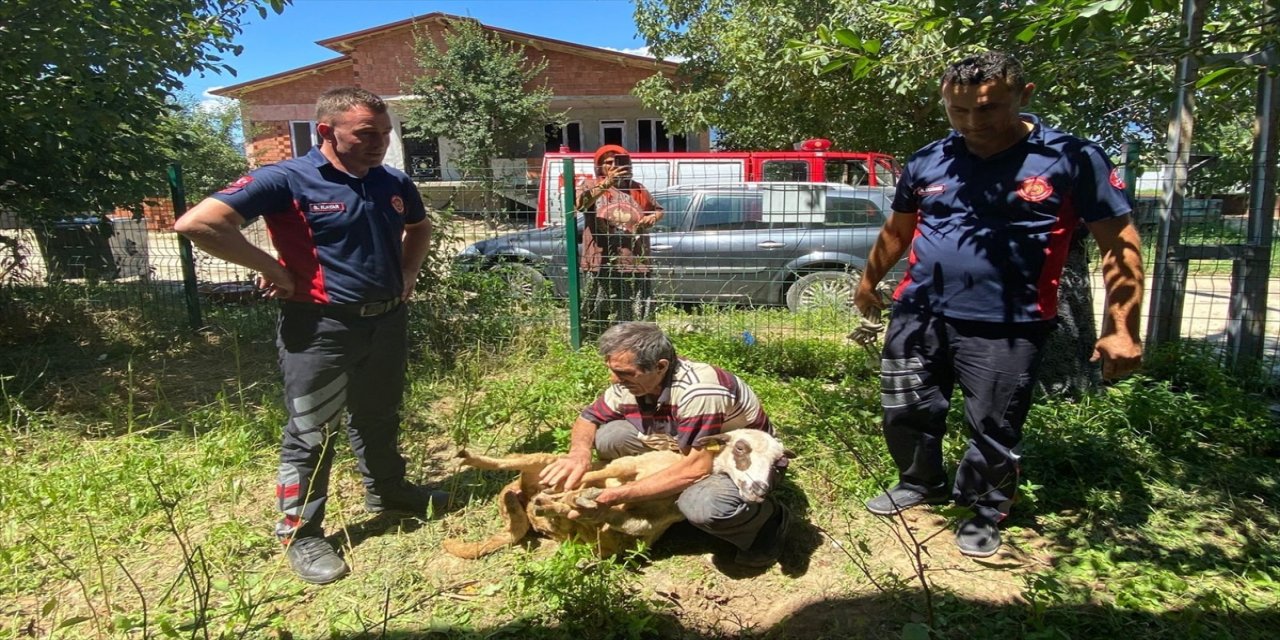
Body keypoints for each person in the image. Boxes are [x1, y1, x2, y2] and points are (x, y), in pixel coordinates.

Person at [854, 52, 1144, 558]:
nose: (971, 122)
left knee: (993, 424)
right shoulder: (929, 159)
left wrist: (1123, 327)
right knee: (904, 408)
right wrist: (868, 280)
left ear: (1023, 95)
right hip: (918, 310)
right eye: (957, 110)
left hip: (1009, 323)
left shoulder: (1071, 157)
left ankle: (984, 509)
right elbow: (898, 230)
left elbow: (1119, 242)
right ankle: (921, 481)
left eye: (987, 109)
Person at [174, 87, 447, 584]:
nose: (379, 143)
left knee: (378, 414)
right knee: (311, 432)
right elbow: (199, 223)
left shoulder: (393, 181)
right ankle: (301, 534)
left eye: (385, 133)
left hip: (386, 321)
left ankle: (388, 492)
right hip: (320, 327)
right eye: (366, 133)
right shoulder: (287, 178)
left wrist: (409, 274)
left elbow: (420, 228)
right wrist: (273, 268)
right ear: (327, 131)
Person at [539, 322, 790, 568]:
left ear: (660, 367)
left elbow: (697, 468)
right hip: (686, 445)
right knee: (610, 437)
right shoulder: (633, 383)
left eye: (624, 373)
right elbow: (588, 417)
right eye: (612, 370)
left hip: (735, 462)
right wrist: (578, 454)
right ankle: (665, 508)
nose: (613, 379)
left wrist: (617, 495)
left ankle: (766, 523)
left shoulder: (699, 392)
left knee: (702, 503)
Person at [576, 145, 663, 329]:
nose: (614, 165)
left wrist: (651, 218)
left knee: (636, 308)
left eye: (620, 161)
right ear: (599, 167)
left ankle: (635, 338)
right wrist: (607, 183)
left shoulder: (637, 188)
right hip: (602, 258)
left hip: (635, 258)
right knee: (601, 306)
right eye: (608, 162)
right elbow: (582, 205)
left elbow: (657, 210)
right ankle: (596, 337)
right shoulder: (591, 185)